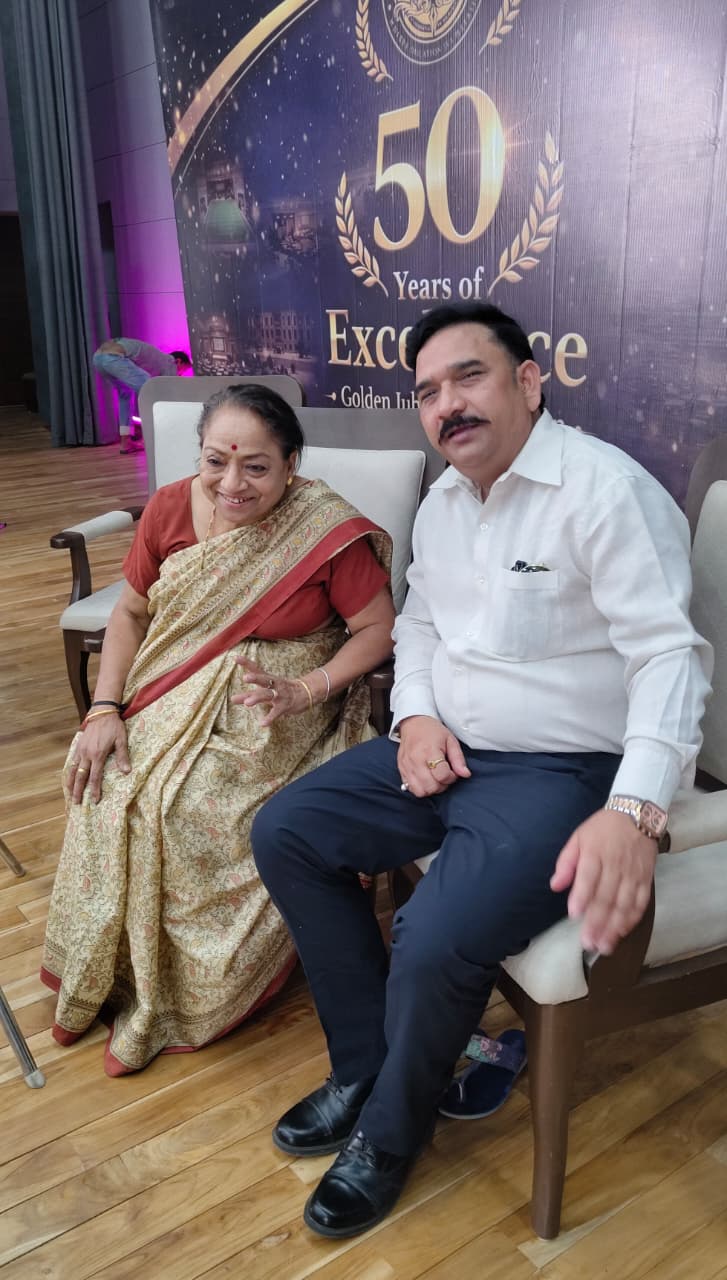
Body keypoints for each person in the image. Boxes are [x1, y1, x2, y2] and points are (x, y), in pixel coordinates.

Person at [251, 301, 713, 1239]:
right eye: (427, 391)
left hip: (561, 771)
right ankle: (367, 1066)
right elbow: (419, 624)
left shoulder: (603, 490)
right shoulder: (446, 501)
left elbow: (670, 656)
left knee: (431, 936)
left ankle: (391, 1131)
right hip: (448, 749)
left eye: (469, 376)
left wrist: (634, 808)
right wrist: (415, 715)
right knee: (287, 830)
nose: (447, 405)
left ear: (528, 382)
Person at [41, 384, 395, 1075]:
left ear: (291, 466)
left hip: (276, 707)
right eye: (215, 462)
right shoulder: (170, 507)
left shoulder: (322, 528)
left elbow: (378, 628)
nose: (232, 483)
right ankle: (115, 972)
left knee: (190, 809)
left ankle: (195, 994)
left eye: (256, 467)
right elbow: (131, 614)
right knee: (107, 782)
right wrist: (103, 709)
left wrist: (305, 688)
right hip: (173, 686)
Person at [93, 338, 192, 452]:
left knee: (125, 394)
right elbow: (170, 392)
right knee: (150, 391)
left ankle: (126, 443)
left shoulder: (157, 359)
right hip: (114, 357)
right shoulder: (170, 362)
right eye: (182, 371)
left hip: (98, 358)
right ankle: (153, 440)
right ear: (178, 361)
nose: (180, 374)